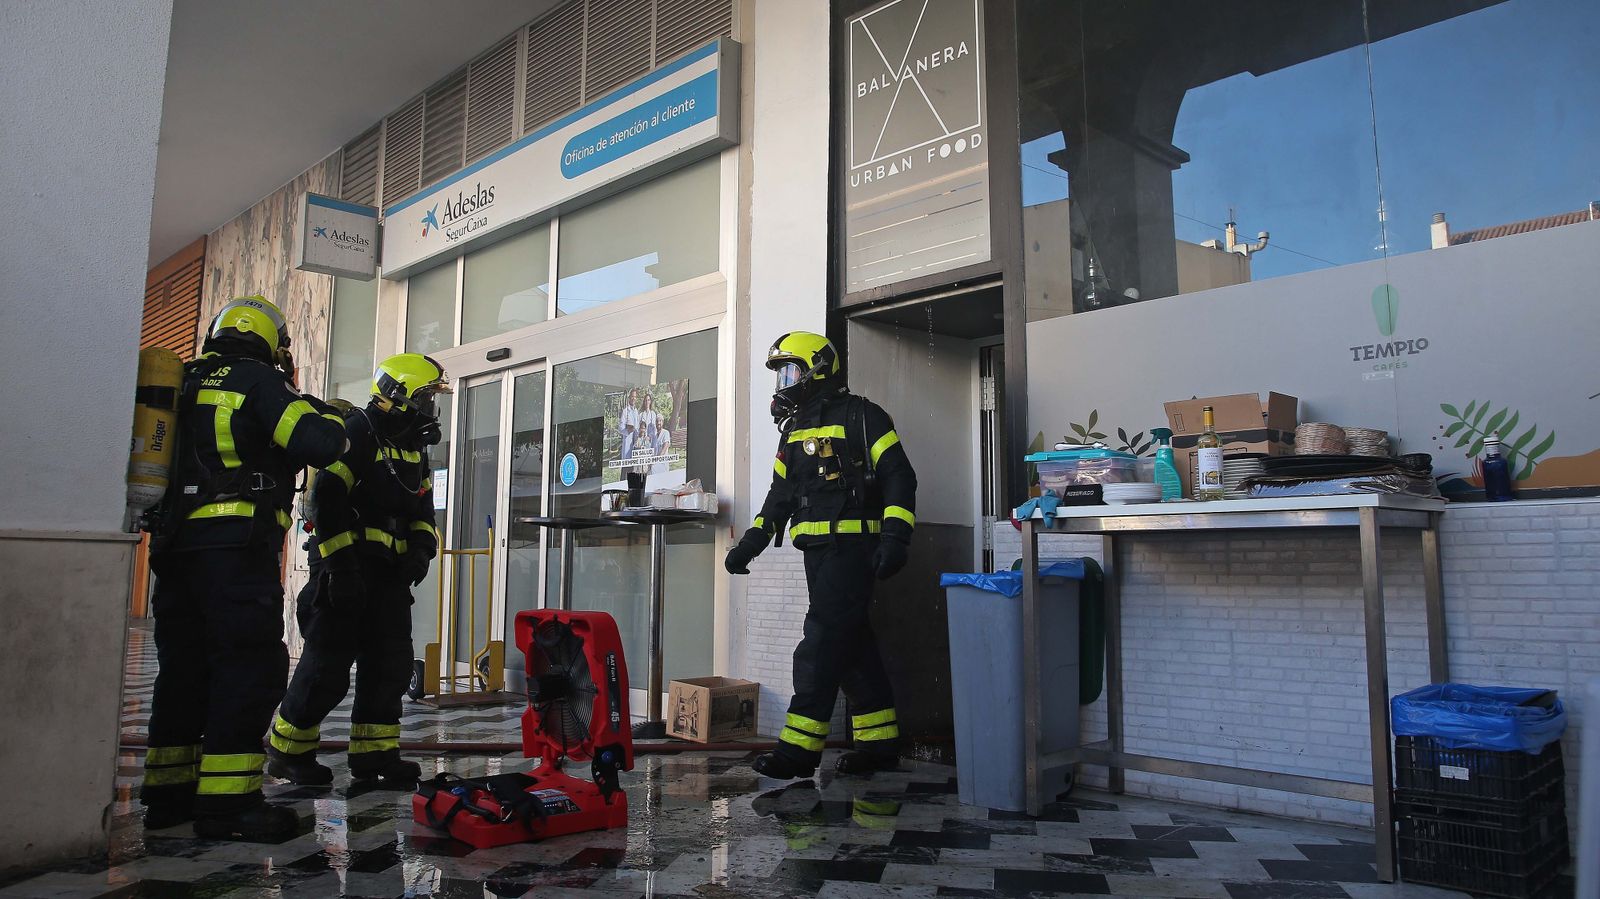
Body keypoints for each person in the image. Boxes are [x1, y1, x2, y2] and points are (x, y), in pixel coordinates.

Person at [141, 296, 348, 840]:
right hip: (234, 551)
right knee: (248, 666)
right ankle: (228, 806)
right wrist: (327, 410)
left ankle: (167, 796)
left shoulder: (181, 381)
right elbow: (322, 443)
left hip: (174, 549)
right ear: (269, 341)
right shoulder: (258, 381)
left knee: (183, 670)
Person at [724, 331, 917, 779]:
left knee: (821, 644)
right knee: (852, 647)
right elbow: (780, 497)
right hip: (817, 553)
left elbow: (899, 478)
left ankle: (798, 750)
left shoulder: (864, 416)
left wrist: (896, 538)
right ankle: (880, 743)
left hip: (853, 551)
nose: (785, 382)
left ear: (818, 369)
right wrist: (749, 545)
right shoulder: (793, 431)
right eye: (781, 374)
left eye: (790, 371)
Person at [266, 354, 450, 786]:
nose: (430, 408)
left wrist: (422, 548)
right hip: (344, 571)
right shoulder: (358, 433)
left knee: (390, 666)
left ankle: (376, 759)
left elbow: (423, 507)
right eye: (424, 397)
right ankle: (288, 751)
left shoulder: (413, 447)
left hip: (390, 576)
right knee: (326, 668)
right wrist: (341, 566)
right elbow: (327, 498)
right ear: (396, 397)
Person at [618, 388, 641, 461]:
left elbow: (637, 427)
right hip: (627, 442)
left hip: (635, 443)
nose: (633, 398)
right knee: (626, 467)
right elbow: (620, 429)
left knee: (634, 469)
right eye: (632, 396)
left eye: (635, 397)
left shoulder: (636, 411)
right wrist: (628, 430)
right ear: (629, 398)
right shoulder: (625, 411)